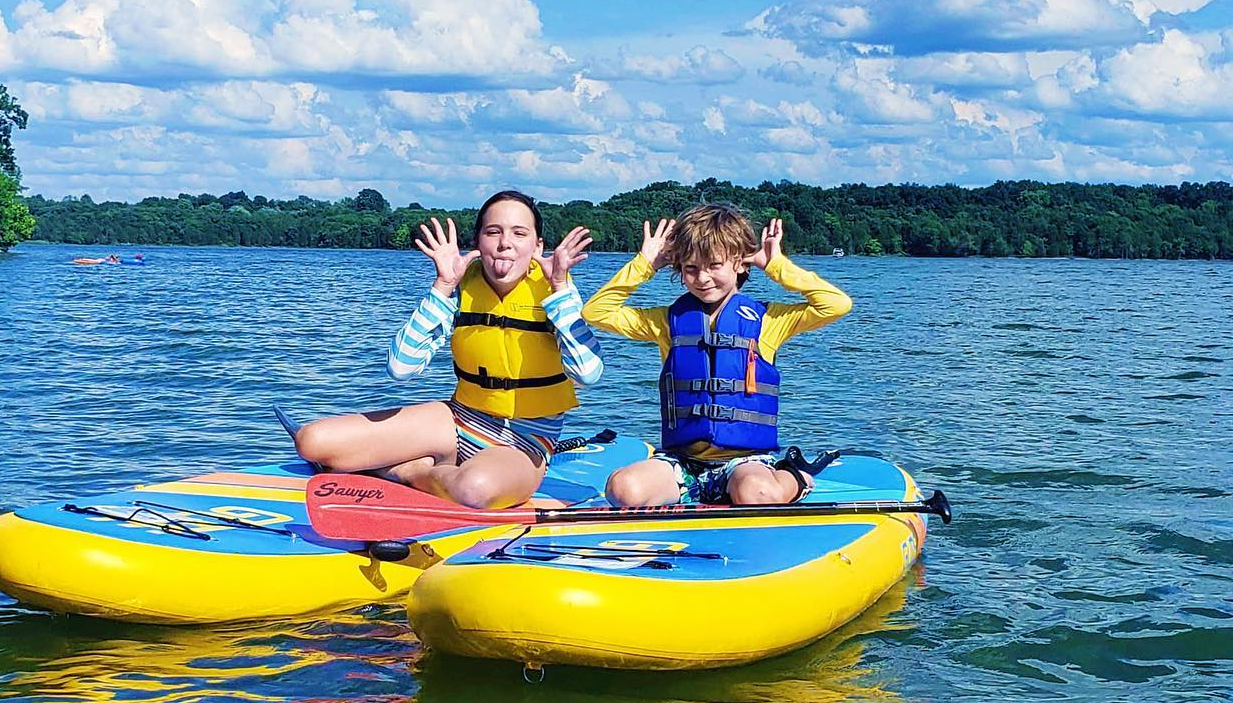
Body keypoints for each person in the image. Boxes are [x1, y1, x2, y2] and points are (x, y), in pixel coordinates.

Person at [295, 190, 603, 510]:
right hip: (457, 422)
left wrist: (560, 290)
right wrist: (442, 286)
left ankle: (412, 471)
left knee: (475, 489)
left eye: (519, 233)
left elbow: (589, 372)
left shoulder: (557, 292)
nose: (504, 243)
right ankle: (439, 471)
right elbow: (401, 368)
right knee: (312, 442)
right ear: (478, 242)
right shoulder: (460, 285)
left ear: (538, 246)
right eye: (493, 232)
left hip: (523, 441)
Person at [581, 204, 851, 508]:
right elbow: (596, 312)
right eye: (691, 268)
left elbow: (836, 304)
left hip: (745, 463)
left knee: (756, 495)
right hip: (682, 464)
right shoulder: (665, 323)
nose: (702, 278)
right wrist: (645, 264)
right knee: (623, 489)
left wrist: (774, 265)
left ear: (740, 263)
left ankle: (795, 477)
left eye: (714, 265)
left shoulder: (768, 321)